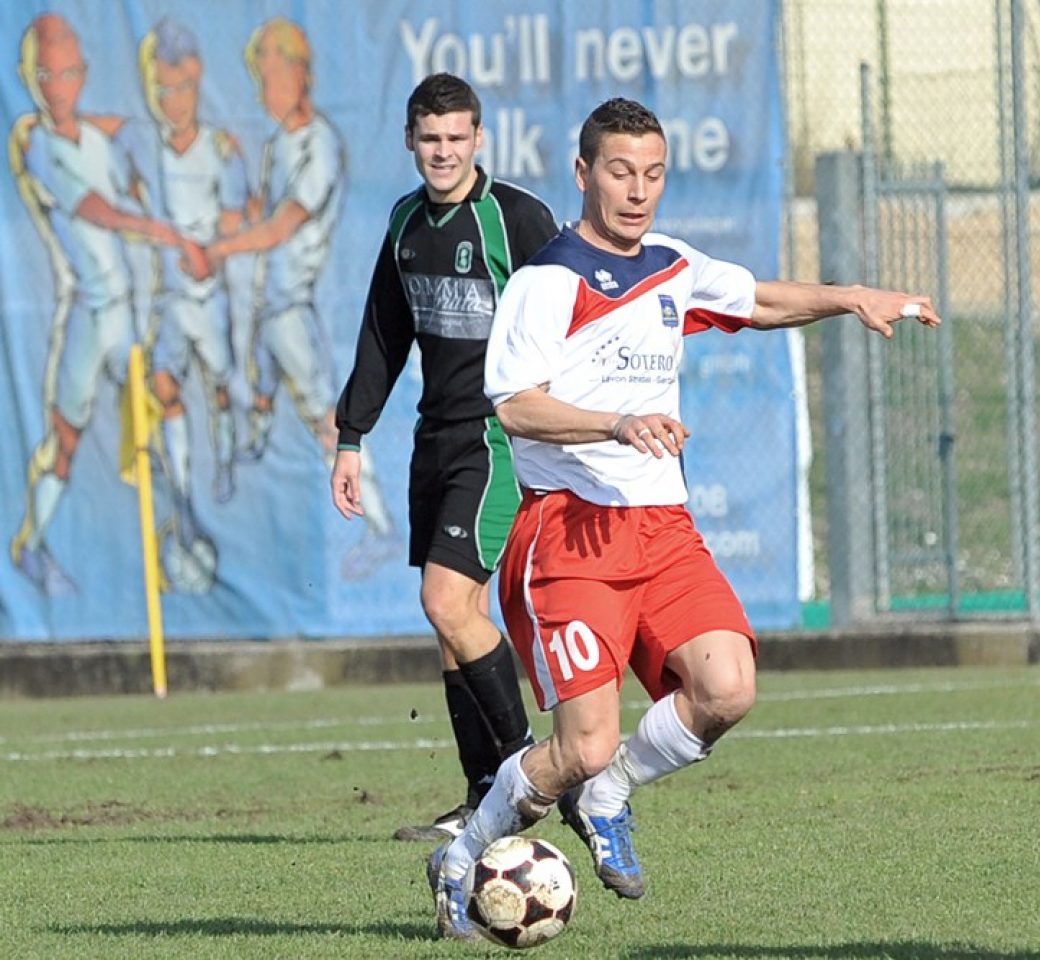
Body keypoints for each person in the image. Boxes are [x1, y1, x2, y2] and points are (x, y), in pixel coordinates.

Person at [427, 96, 941, 940]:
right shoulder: (547, 281)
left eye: (654, 174)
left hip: (662, 529)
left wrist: (852, 297)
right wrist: (615, 423)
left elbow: (758, 301)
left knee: (727, 687)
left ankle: (612, 792)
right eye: (621, 172)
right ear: (584, 170)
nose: (638, 191)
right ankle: (466, 851)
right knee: (580, 746)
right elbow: (516, 407)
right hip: (569, 532)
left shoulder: (670, 262)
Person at [331, 73, 558, 842]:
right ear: (410, 141)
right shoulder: (406, 222)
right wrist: (351, 437)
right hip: (434, 439)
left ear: (479, 140)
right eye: (431, 139)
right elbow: (384, 334)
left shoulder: (516, 219)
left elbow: (574, 317)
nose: (444, 152)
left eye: (457, 138)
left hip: (495, 441)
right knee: (451, 621)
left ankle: (531, 774)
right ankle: (483, 794)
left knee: (445, 601)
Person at [9, 12, 204, 596]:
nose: (57, 84)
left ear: (82, 74)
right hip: (89, 316)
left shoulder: (98, 139)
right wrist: (167, 234)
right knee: (64, 440)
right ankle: (31, 545)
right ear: (30, 76)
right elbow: (99, 211)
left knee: (165, 396)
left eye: (67, 71)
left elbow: (125, 172)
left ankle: (186, 517)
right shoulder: (39, 146)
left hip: (130, 315)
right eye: (45, 73)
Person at [201, 17, 399, 581]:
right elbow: (263, 211)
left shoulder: (321, 144)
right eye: (258, 78)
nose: (264, 89)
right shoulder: (276, 142)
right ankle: (239, 467)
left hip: (289, 307)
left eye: (270, 75)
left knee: (331, 423)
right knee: (248, 397)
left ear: (298, 72)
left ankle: (380, 525)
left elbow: (281, 226)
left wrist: (223, 247)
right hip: (260, 307)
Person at [136, 18, 248, 574]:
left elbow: (235, 218)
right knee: (164, 386)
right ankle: (181, 499)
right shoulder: (147, 151)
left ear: (196, 82)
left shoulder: (219, 149)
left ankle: (224, 459)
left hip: (208, 295)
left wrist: (208, 249)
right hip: (170, 298)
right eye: (162, 89)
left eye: (179, 88)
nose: (171, 100)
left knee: (220, 386)